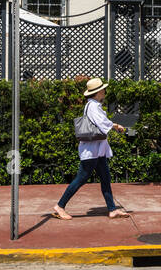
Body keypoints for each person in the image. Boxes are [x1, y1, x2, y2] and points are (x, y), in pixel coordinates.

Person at [52, 78, 132, 220]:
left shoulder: (93, 105)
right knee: (81, 178)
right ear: (98, 92)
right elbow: (102, 123)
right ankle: (60, 206)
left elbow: (101, 123)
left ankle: (112, 209)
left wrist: (113, 125)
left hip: (98, 150)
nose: (104, 91)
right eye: (103, 89)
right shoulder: (93, 106)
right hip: (91, 151)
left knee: (105, 178)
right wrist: (115, 125)